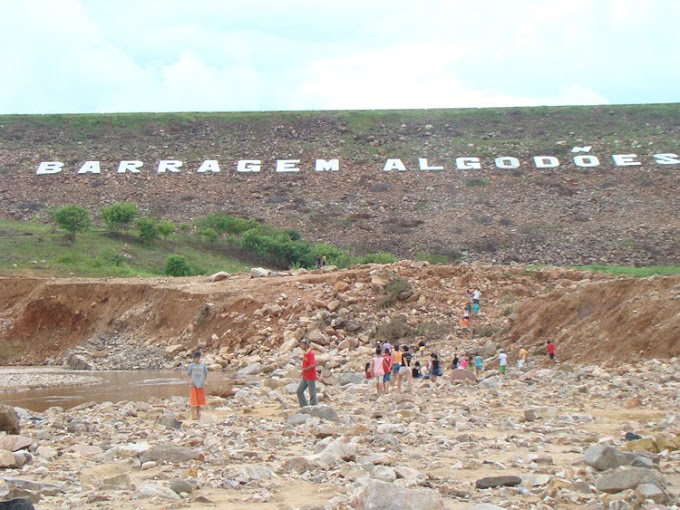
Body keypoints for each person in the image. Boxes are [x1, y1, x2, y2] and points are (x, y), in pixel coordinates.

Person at [187, 351, 208, 420]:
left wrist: (205, 381)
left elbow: (206, 374)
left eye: (195, 358)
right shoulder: (191, 366)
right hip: (193, 384)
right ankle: (193, 415)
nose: (194, 359)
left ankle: (198, 414)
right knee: (193, 400)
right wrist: (190, 380)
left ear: (198, 358)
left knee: (199, 401)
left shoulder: (202, 365)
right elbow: (188, 374)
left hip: (200, 384)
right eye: (193, 358)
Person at [297, 339, 318, 407]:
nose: (301, 346)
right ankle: (304, 406)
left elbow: (313, 364)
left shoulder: (310, 354)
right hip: (305, 376)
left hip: (310, 376)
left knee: (312, 392)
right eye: (300, 344)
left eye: (302, 344)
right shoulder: (305, 354)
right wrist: (302, 372)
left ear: (306, 345)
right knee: (299, 391)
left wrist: (305, 369)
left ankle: (313, 406)